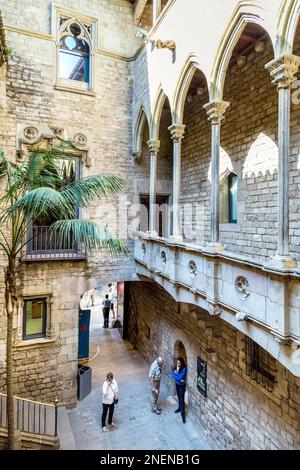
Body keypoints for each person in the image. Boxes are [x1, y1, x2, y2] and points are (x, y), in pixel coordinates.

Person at [172, 357, 187, 423]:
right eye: (177, 363)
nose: (178, 364)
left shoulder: (184, 369)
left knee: (181, 399)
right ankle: (179, 408)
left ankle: (183, 416)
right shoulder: (176, 367)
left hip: (181, 386)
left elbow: (180, 377)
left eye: (179, 363)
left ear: (181, 363)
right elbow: (173, 375)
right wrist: (177, 377)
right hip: (177, 384)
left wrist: (177, 373)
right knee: (178, 397)